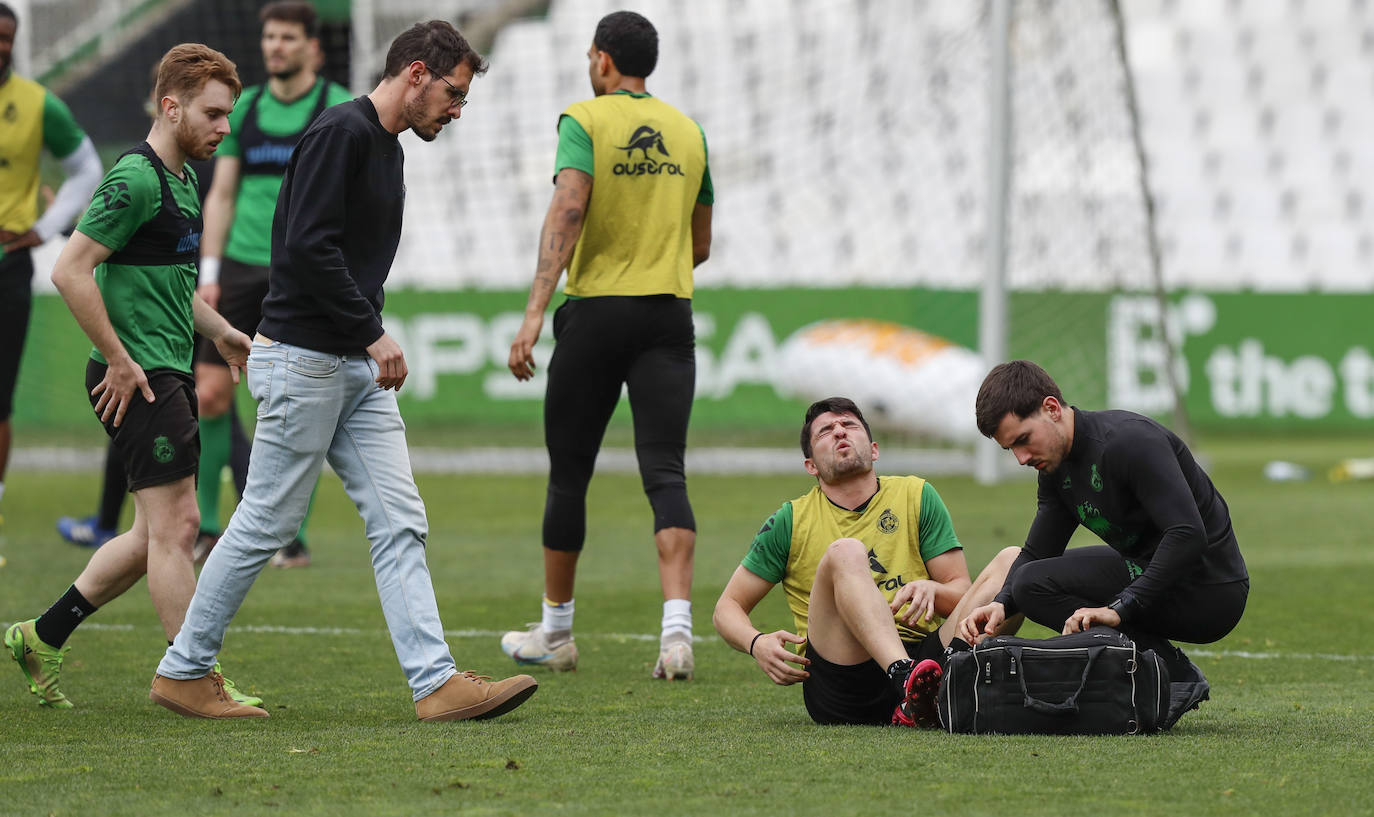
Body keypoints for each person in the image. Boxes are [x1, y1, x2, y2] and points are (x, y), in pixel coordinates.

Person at [154, 21, 538, 722]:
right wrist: (373, 332)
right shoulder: (342, 133)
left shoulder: (385, 146)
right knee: (266, 520)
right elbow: (304, 250)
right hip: (307, 358)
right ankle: (183, 670)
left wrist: (364, 339)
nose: (457, 110)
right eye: (454, 94)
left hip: (346, 365)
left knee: (400, 520)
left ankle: (435, 682)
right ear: (416, 73)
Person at [5, 43, 257, 710]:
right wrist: (118, 358)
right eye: (212, 113)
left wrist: (219, 329)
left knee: (152, 533)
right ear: (169, 107)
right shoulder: (135, 179)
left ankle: (41, 634)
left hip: (162, 368)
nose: (223, 127)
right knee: (179, 527)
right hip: (140, 377)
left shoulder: (181, 180)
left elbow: (170, 287)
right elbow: (69, 270)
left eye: (228, 114)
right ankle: (192, 677)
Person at [502, 10, 713, 679]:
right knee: (666, 471)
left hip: (594, 316)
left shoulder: (583, 120)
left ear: (602, 59)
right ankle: (676, 635)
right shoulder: (689, 131)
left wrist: (534, 313)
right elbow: (700, 243)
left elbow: (568, 208)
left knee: (570, 474)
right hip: (667, 317)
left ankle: (557, 632)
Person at [713, 397, 1022, 726]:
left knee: (1014, 563)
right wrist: (756, 643)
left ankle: (942, 686)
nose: (839, 432)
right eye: (825, 432)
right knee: (845, 551)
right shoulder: (791, 520)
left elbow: (962, 594)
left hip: (926, 661)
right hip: (845, 680)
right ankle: (905, 679)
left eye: (849, 425)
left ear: (874, 449)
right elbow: (727, 608)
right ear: (811, 466)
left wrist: (933, 590)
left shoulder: (916, 495)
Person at [194, 0, 352, 567]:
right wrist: (210, 273)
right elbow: (223, 194)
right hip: (236, 270)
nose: (275, 47)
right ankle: (207, 526)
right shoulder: (248, 109)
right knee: (209, 396)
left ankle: (291, 536)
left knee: (290, 407)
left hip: (302, 274)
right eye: (269, 38)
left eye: (287, 38)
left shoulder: (337, 109)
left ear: (312, 46)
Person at [958, 360, 1249, 665]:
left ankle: (1158, 671)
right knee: (1028, 584)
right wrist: (1001, 604)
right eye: (1011, 449)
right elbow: (1037, 553)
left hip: (1209, 590)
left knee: (1032, 582)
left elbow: (1187, 534)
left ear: (1052, 409)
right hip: (1149, 572)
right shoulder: (1055, 469)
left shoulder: (1129, 441)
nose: (1021, 458)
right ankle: (1165, 669)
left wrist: (1120, 608)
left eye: (1024, 440)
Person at [0, 1, 103, 530]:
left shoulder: (38, 105)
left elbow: (86, 168)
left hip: (7, 268)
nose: (1, 45)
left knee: (0, 401)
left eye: (6, 37)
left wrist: (44, 227)